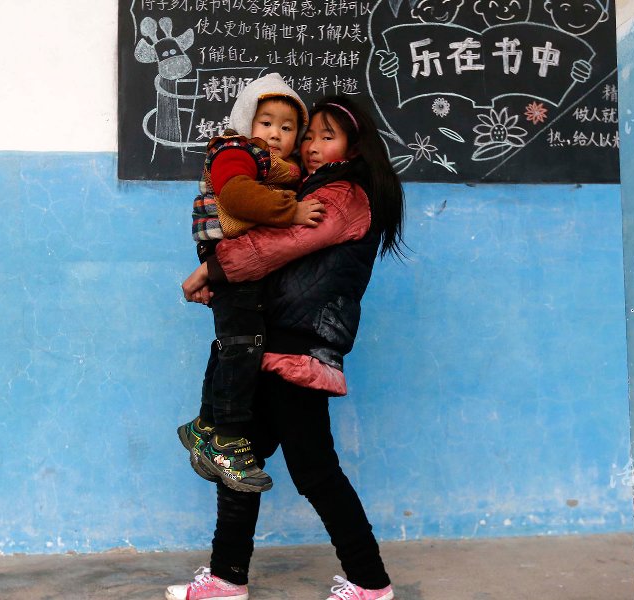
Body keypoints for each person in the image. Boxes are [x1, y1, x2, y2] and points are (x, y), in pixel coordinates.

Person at [171, 95, 405, 600]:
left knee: (314, 470)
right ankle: (226, 578)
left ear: (353, 143)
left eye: (328, 136)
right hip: (275, 343)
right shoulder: (311, 185)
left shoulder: (344, 195)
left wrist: (210, 268)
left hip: (297, 351)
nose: (313, 146)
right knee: (240, 462)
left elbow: (276, 247)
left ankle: (370, 582)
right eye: (310, 136)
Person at [179, 73, 325, 494]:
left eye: (286, 127)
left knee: (235, 341)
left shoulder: (279, 167)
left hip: (241, 269)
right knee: (243, 346)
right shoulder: (235, 151)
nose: (276, 134)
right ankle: (226, 439)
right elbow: (237, 197)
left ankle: (203, 426)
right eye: (266, 122)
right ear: (246, 120)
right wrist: (292, 211)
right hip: (230, 262)